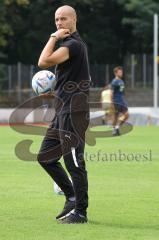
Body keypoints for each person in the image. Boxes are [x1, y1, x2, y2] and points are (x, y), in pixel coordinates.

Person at [37, 5, 90, 224]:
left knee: (74, 163)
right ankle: (71, 196)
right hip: (63, 111)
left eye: (63, 19)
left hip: (74, 112)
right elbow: (69, 77)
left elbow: (43, 61)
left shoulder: (73, 44)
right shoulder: (70, 47)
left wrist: (53, 37)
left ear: (74, 21)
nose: (59, 23)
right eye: (56, 20)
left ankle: (81, 212)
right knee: (46, 157)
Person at [110, 66, 129, 136]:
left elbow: (122, 92)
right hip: (116, 101)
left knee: (126, 115)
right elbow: (111, 92)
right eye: (119, 72)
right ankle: (114, 130)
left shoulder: (121, 81)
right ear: (115, 73)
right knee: (116, 116)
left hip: (121, 101)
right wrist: (112, 102)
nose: (121, 73)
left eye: (121, 72)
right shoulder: (114, 81)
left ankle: (117, 128)